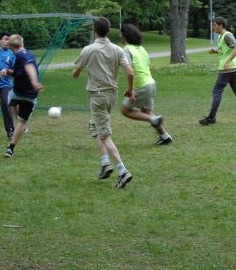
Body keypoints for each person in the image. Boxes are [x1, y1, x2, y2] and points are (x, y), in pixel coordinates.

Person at [73, 17, 135, 189]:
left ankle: (122, 171)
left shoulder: (88, 49)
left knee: (105, 135)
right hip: (112, 95)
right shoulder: (117, 49)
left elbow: (75, 74)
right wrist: (130, 90)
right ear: (108, 31)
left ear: (94, 31)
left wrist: (80, 69)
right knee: (95, 127)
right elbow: (130, 72)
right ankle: (105, 163)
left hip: (97, 96)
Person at [119, 23, 172, 146]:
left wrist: (130, 90)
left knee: (125, 111)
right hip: (151, 84)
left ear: (125, 36)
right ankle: (165, 136)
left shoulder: (126, 49)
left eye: (121, 34)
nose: (120, 37)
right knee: (146, 111)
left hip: (141, 86)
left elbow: (130, 72)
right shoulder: (142, 49)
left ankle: (153, 119)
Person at [0, 34, 42, 158]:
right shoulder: (22, 55)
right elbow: (19, 72)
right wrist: (8, 71)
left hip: (21, 94)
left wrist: (34, 82)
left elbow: (30, 68)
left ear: (9, 46)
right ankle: (11, 148)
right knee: (21, 120)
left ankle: (20, 125)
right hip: (27, 94)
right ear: (22, 43)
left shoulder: (23, 56)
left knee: (10, 101)